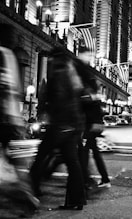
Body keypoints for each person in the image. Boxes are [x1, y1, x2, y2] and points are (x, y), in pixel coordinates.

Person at [29, 47, 86, 210]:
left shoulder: (60, 73)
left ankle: (29, 194)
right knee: (72, 163)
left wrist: (49, 113)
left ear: (56, 58)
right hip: (73, 124)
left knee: (40, 158)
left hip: (61, 124)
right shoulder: (71, 72)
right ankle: (76, 200)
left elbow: (59, 98)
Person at [0, 23, 39, 211]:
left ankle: (23, 196)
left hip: (5, 117)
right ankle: (25, 196)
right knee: (16, 162)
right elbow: (13, 89)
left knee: (14, 161)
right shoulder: (9, 56)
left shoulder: (4, 55)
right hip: (10, 119)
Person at [75, 46, 111, 189]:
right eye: (89, 55)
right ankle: (104, 178)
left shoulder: (83, 72)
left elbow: (88, 100)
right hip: (93, 122)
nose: (90, 58)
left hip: (89, 122)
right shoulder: (86, 73)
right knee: (94, 152)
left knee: (83, 152)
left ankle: (85, 180)